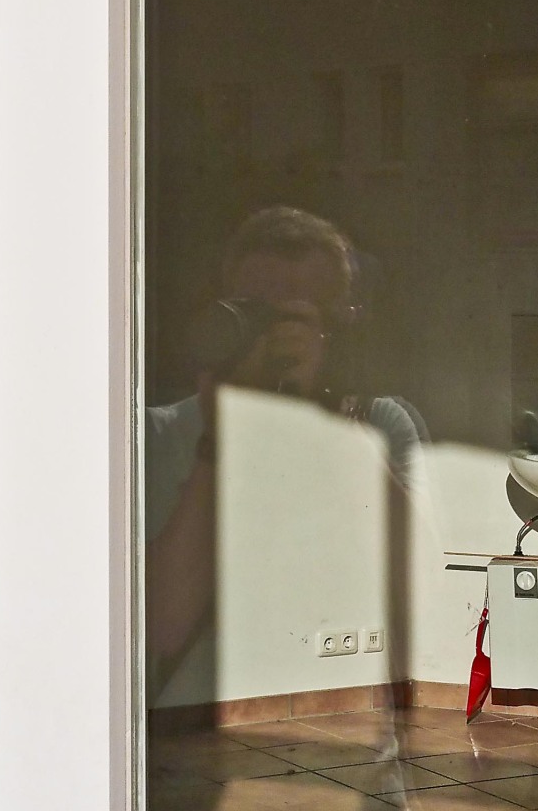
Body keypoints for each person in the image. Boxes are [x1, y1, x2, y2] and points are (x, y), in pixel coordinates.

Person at [145, 206, 426, 681]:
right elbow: (160, 626)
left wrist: (324, 424)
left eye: (288, 319)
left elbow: (423, 590)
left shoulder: (375, 426)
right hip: (195, 715)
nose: (267, 337)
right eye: (251, 313)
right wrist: (219, 437)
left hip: (340, 707)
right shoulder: (164, 432)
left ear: (331, 333)